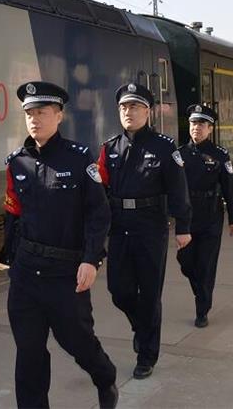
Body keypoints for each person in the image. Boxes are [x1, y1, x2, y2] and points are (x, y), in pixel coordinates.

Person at [3, 81, 118, 409]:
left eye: (42, 112)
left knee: (77, 342)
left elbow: (98, 213)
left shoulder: (79, 159)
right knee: (29, 353)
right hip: (26, 276)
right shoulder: (17, 162)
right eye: (29, 113)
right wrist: (13, 262)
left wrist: (91, 259)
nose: (34, 119)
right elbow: (12, 215)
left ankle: (105, 376)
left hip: (65, 275)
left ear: (59, 115)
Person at [97, 83, 191, 379]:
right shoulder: (109, 148)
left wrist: (183, 227)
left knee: (150, 293)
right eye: (124, 107)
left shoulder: (164, 147)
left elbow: (178, 189)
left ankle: (146, 356)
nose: (129, 112)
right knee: (118, 291)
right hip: (120, 227)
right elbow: (100, 191)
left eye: (135, 107)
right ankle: (142, 327)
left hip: (151, 228)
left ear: (148, 112)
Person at [176, 104, 233, 328]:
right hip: (187, 217)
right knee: (185, 262)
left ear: (210, 128)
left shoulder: (219, 155)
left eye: (201, 124)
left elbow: (230, 187)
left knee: (206, 265)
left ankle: (202, 309)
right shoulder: (180, 154)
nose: (196, 128)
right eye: (193, 123)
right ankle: (200, 290)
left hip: (211, 217)